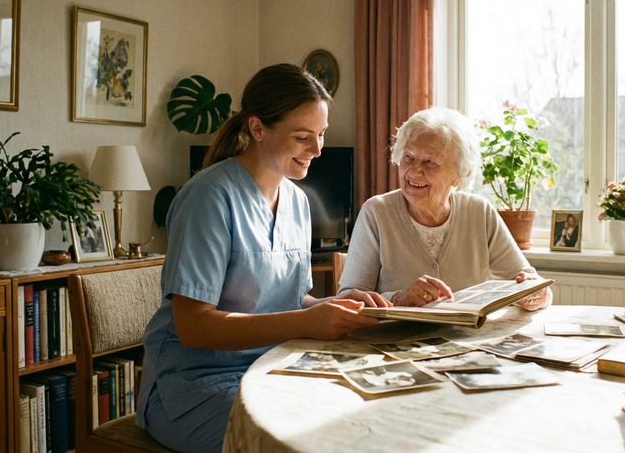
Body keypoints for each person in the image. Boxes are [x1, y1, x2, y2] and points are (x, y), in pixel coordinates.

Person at [135, 63, 389, 453]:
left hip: (271, 369)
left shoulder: (298, 202)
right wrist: (308, 321)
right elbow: (194, 327)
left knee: (364, 415)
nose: (317, 150)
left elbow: (289, 300)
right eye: (303, 137)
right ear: (257, 128)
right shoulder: (209, 197)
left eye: (321, 136)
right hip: (193, 387)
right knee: (312, 439)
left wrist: (337, 307)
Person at [337, 107, 552, 310]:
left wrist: (535, 295)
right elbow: (347, 299)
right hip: (396, 341)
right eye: (408, 157)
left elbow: (532, 285)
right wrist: (399, 298)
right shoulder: (377, 213)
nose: (414, 171)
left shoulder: (479, 213)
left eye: (430, 162)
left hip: (467, 344)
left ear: (458, 176)